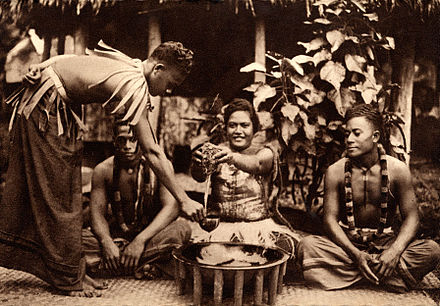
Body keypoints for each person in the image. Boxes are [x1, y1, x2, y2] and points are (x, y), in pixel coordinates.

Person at [0, 40, 204, 297]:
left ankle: (73, 270)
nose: (168, 92)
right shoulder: (134, 83)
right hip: (46, 106)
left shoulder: (130, 67)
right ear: (158, 69)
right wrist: (184, 199)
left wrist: (43, 66)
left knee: (69, 192)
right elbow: (152, 150)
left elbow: (70, 60)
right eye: (170, 84)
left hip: (58, 105)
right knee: (59, 196)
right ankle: (67, 277)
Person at [297, 103, 440, 292]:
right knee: (306, 245)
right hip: (347, 246)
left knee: (432, 250)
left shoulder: (397, 170)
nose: (349, 139)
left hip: (385, 244)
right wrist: (356, 255)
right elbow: (329, 221)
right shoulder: (335, 171)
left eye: (356, 133)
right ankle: (384, 276)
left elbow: (412, 219)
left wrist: (394, 252)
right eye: (347, 133)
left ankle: (349, 275)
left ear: (375, 137)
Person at [191, 98, 300, 258]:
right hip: (221, 227)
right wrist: (197, 164)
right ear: (225, 128)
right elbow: (199, 177)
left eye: (244, 125)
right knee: (206, 254)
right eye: (232, 125)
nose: (238, 131)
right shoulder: (217, 151)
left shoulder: (266, 152)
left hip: (258, 227)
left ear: (254, 128)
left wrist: (231, 157)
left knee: (285, 251)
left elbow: (257, 164)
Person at [82, 121, 191, 279]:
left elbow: (172, 209)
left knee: (182, 229)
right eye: (122, 140)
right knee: (77, 238)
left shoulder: (161, 166)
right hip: (116, 238)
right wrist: (106, 242)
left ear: (143, 139)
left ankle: (114, 265)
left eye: (134, 140)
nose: (127, 146)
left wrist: (139, 241)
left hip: (150, 237)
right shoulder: (103, 170)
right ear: (114, 140)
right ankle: (146, 265)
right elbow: (96, 215)